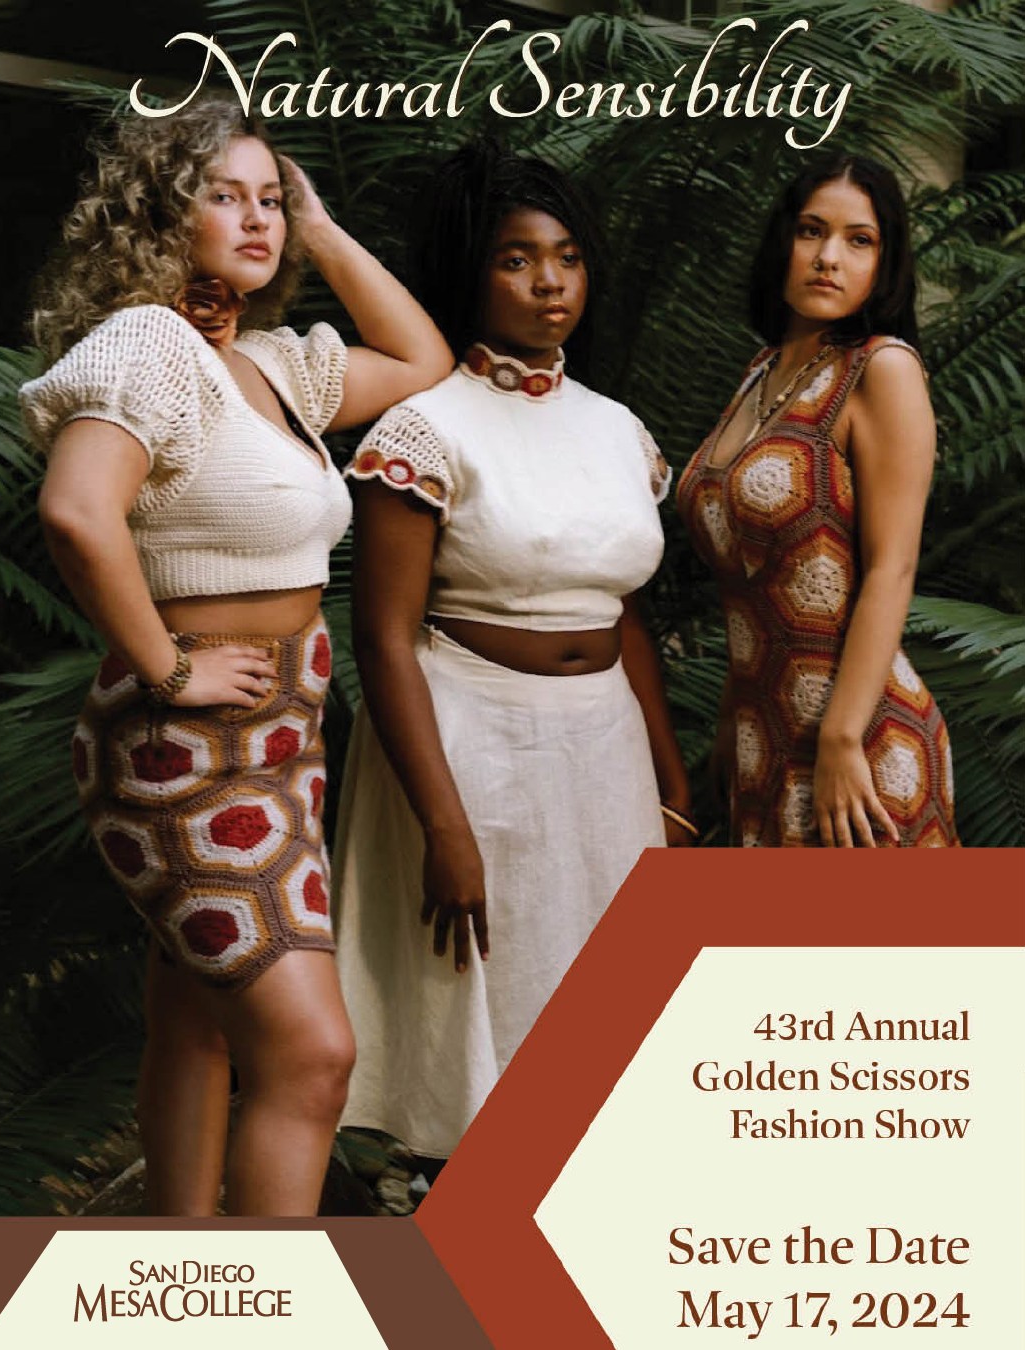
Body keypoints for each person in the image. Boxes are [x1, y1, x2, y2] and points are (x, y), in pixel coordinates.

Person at [18, 98, 451, 1214]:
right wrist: (172, 667)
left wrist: (320, 224)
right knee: (310, 1055)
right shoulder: (150, 344)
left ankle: (183, 1262)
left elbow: (421, 359)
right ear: (164, 212)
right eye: (228, 196)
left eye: (273, 200)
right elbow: (77, 511)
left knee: (201, 1025)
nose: (259, 221)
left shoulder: (267, 365)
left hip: (281, 739)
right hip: (184, 747)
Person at [332, 143, 692, 1161]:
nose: (550, 283)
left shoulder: (618, 429)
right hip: (471, 737)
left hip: (604, 748)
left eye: (568, 257)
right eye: (518, 259)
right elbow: (382, 639)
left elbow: (625, 616)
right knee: (477, 1026)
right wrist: (444, 825)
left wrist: (668, 781)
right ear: (468, 271)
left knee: (599, 1025)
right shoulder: (424, 429)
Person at [676, 152, 957, 848]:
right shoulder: (759, 373)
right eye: (811, 231)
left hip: (862, 741)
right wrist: (732, 720)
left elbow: (893, 568)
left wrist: (839, 739)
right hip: (758, 736)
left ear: (884, 262)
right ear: (783, 242)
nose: (829, 256)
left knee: (877, 960)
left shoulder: (881, 370)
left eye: (858, 240)